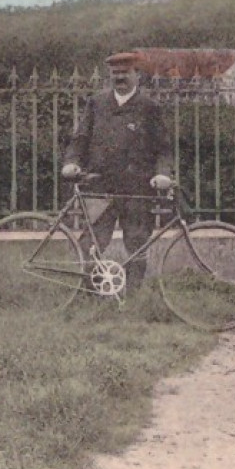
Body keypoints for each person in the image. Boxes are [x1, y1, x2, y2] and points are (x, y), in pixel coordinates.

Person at [60, 52, 173, 296]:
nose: (119, 78)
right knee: (92, 244)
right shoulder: (97, 103)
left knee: (137, 243)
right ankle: (89, 295)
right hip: (100, 187)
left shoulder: (149, 107)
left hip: (137, 189)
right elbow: (79, 139)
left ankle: (132, 298)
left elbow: (163, 149)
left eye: (125, 73)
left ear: (137, 75)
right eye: (115, 74)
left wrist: (163, 173)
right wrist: (71, 162)